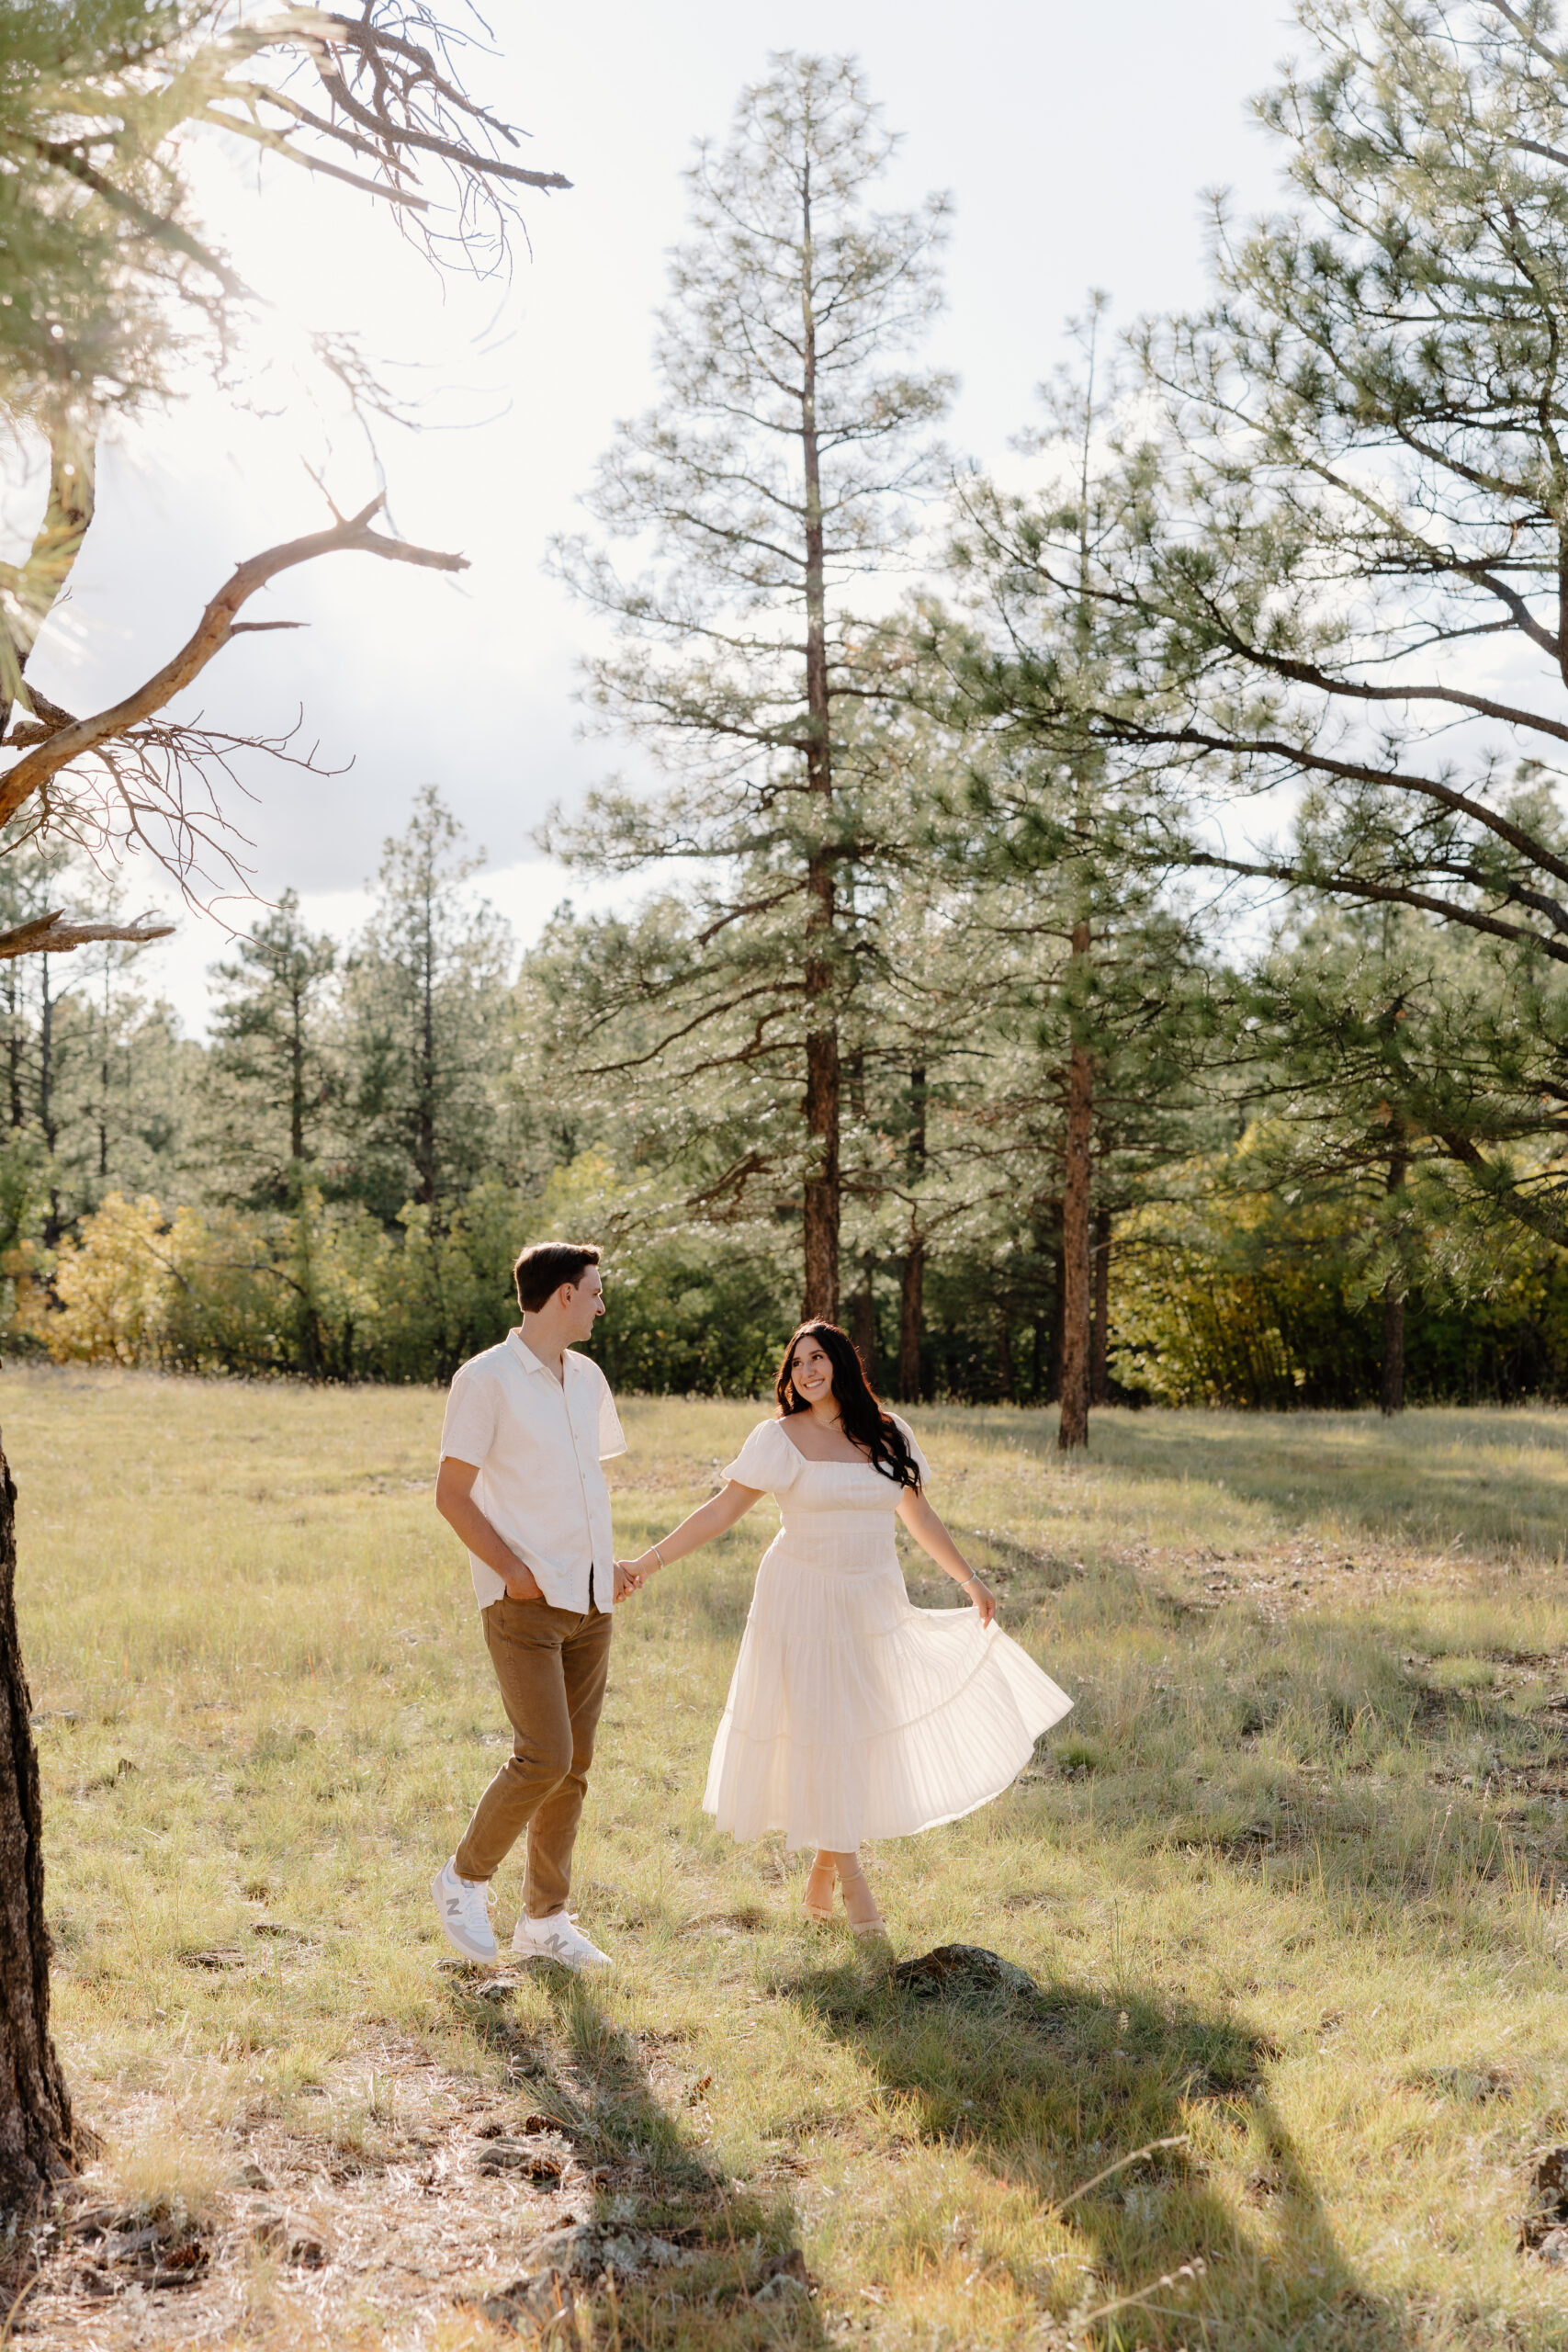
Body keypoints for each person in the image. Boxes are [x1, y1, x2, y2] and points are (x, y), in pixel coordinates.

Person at [615, 1320, 1072, 1935]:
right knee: (822, 1729)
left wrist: (969, 1580)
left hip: (873, 1597)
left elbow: (917, 1512)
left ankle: (823, 1872)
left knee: (860, 1732)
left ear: (839, 1363)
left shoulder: (887, 1432)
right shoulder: (779, 1438)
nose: (806, 1371)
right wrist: (644, 1564)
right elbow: (721, 1510)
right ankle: (856, 1888)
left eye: (816, 1358)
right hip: (801, 1600)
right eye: (795, 1362)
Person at [431, 1240, 631, 1974]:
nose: (602, 1305)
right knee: (543, 1755)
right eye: (595, 1291)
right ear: (563, 1296)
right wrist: (513, 1572)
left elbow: (579, 1487)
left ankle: (545, 1922)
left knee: (572, 1768)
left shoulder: (587, 1379)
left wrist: (600, 1565)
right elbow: (451, 1495)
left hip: (590, 1599)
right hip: (524, 1601)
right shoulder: (484, 1379)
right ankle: (463, 1879)